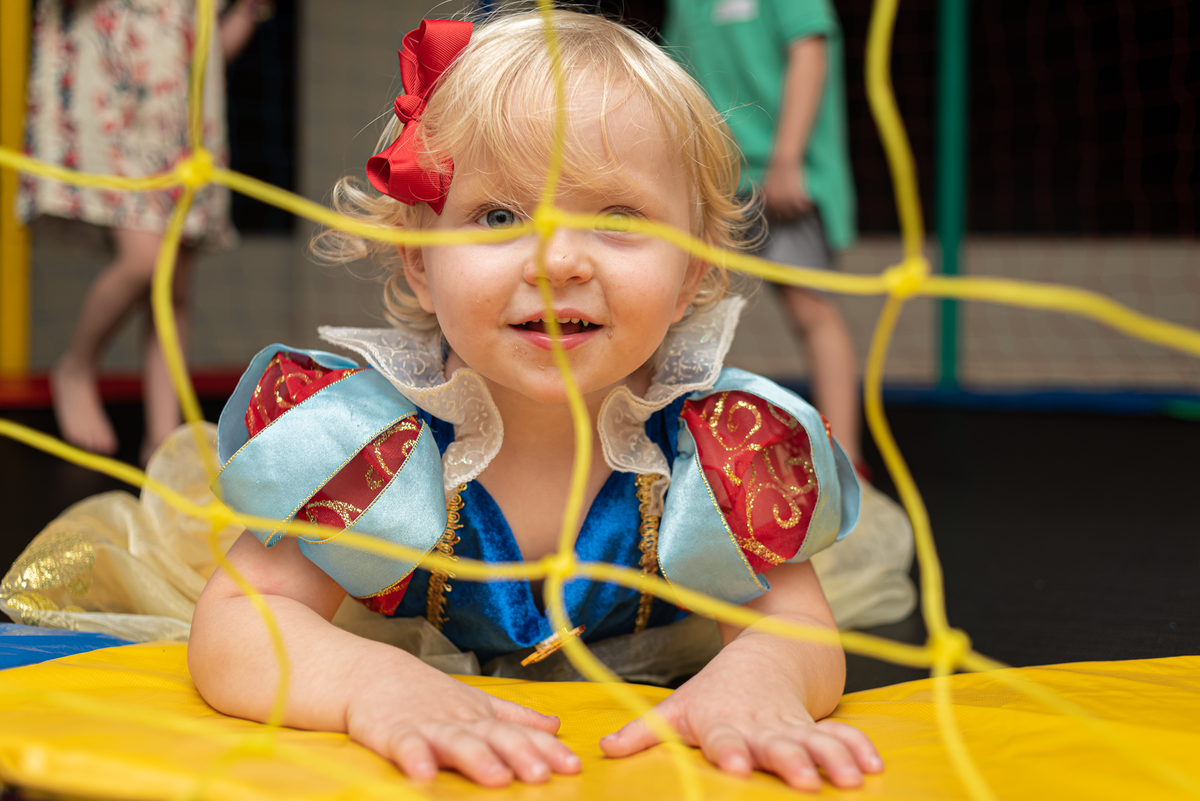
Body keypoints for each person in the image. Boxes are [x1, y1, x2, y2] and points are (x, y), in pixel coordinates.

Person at [187, 10, 883, 792]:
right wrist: (367, 683)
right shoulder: (368, 442)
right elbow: (236, 625)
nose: (557, 260)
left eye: (617, 217)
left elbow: (799, 629)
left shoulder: (719, 445)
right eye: (499, 216)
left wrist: (761, 678)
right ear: (420, 258)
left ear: (692, 269)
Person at [18, 0, 267, 464]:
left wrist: (250, 9)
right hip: (118, 96)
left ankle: (163, 440)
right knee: (146, 260)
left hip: (178, 120)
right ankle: (77, 363)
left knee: (172, 284)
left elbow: (207, 53)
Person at [663, 0, 864, 468]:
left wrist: (788, 158)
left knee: (813, 310)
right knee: (679, 311)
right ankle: (668, 450)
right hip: (714, 177)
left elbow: (810, 53)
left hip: (781, 176)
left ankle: (848, 460)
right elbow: (676, 79)